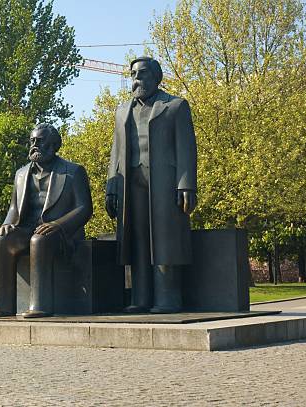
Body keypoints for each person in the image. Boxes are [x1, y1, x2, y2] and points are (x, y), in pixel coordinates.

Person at [106, 56, 197, 313]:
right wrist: (112, 187)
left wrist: (187, 185)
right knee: (137, 242)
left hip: (165, 184)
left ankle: (168, 299)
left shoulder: (175, 106)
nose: (137, 78)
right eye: (133, 73)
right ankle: (141, 298)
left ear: (157, 77)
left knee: (165, 241)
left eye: (143, 73)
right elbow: (116, 151)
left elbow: (186, 148)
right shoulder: (122, 111)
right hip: (130, 184)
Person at [0, 123, 93, 318]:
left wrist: (58, 225)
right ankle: (0, 305)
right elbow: (14, 209)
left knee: (38, 240)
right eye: (32, 141)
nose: (34, 145)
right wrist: (6, 225)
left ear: (54, 144)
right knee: (0, 241)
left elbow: (84, 209)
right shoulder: (21, 174)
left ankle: (40, 305)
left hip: (61, 234)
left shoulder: (73, 172)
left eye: (40, 141)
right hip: (26, 229)